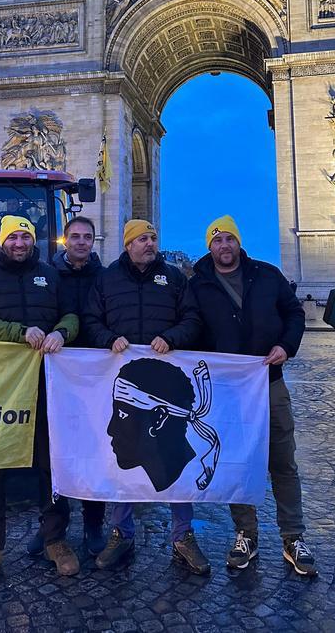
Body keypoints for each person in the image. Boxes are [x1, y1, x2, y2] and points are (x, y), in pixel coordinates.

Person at [189, 215, 316, 576]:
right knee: (237, 462)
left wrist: (286, 346)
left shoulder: (268, 275)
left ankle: (293, 537)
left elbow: (294, 314)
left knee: (283, 462)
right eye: (217, 240)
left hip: (269, 382)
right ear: (209, 246)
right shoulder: (198, 284)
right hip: (228, 390)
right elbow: (191, 326)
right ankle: (246, 533)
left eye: (230, 239)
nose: (224, 246)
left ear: (238, 243)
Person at [83, 219, 210, 575]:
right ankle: (121, 532)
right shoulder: (106, 279)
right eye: (143, 239)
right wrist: (108, 338)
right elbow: (90, 319)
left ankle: (183, 536)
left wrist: (172, 337)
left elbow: (193, 318)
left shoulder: (174, 277)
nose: (150, 243)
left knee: (174, 461)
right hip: (125, 388)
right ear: (127, 245)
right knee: (122, 460)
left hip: (165, 388)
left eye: (153, 238)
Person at [0, 215, 79, 583]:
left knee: (51, 464)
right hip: (0, 389)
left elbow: (71, 315)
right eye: (13, 237)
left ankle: (54, 540)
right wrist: (17, 332)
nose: (19, 244)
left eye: (25, 237)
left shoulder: (50, 273)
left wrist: (62, 332)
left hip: (46, 386)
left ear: (33, 241)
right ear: (1, 241)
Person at [25, 216, 106, 556]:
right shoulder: (45, 275)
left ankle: (93, 525)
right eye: (75, 236)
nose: (82, 242)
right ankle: (51, 525)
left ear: (93, 241)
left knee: (94, 450)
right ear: (64, 239)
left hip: (97, 374)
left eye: (88, 237)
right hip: (54, 372)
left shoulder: (106, 277)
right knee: (51, 452)